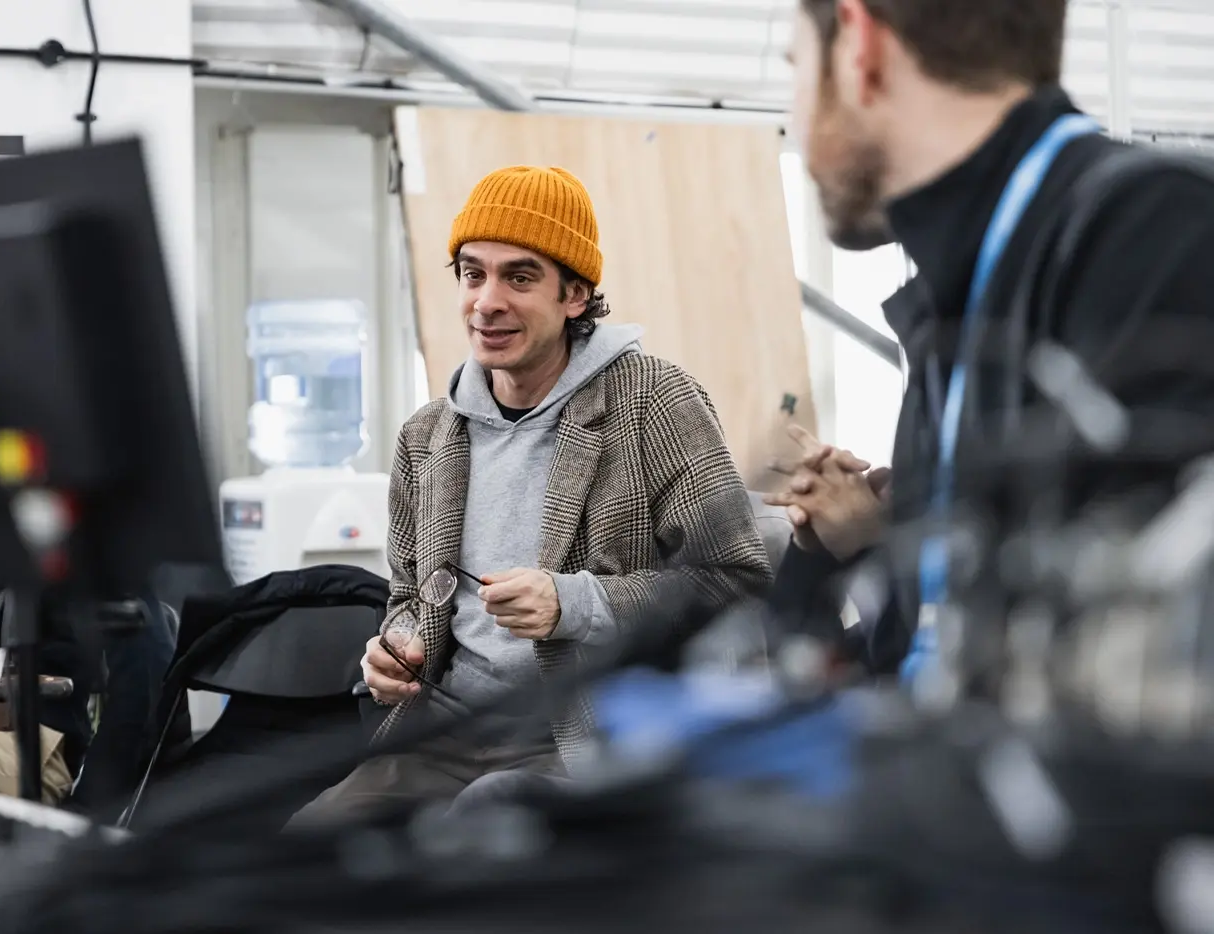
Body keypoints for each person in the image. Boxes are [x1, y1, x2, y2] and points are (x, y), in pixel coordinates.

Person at [293, 165, 772, 824]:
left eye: (519, 278)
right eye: (471, 273)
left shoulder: (653, 402)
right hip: (442, 733)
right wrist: (396, 648)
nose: (487, 301)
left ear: (575, 296)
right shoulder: (426, 438)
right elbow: (409, 596)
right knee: (308, 845)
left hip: (581, 733)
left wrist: (578, 602)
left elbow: (736, 583)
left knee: (486, 835)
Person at [765, 0, 1214, 678]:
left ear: (859, 47)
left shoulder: (1152, 235)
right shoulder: (961, 306)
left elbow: (1142, 694)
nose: (796, 124)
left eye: (797, 72)